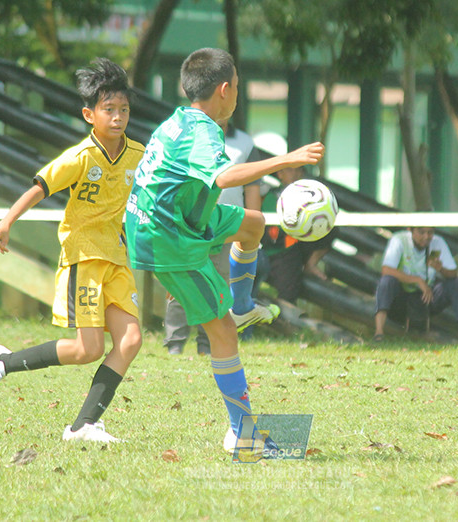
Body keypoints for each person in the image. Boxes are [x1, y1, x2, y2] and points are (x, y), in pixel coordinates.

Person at [124, 47, 323, 452]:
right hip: (168, 238)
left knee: (253, 224)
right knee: (222, 332)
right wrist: (285, 159)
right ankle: (242, 434)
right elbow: (225, 176)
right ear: (226, 89)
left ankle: (243, 302)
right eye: (239, 88)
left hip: (182, 218)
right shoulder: (203, 130)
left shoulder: (179, 120)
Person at [0, 58, 144, 444]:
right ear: (88, 114)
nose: (117, 117)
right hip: (84, 257)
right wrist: (6, 222)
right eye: (108, 109)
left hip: (117, 258)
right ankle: (1, 363)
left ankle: (84, 426)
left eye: (123, 110)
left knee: (129, 341)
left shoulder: (137, 156)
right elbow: (40, 186)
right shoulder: (81, 157)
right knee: (87, 349)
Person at [164, 121, 263, 356]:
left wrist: (253, 235)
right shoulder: (186, 136)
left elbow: (252, 189)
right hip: (189, 226)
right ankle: (174, 345)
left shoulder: (245, 143)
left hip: (226, 227)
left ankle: (206, 346)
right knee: (180, 287)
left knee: (218, 286)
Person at [372, 226, 458, 343]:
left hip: (427, 298)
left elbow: (453, 273)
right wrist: (417, 280)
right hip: (402, 298)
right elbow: (386, 270)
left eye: (430, 233)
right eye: (421, 232)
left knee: (454, 284)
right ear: (410, 230)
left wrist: (441, 269)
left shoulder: (437, 243)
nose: (426, 237)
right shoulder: (399, 240)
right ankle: (379, 332)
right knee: (386, 281)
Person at [259, 166, 334, 305]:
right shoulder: (273, 196)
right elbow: (273, 234)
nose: (294, 174)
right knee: (287, 290)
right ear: (280, 174)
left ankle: (311, 265)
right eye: (290, 170)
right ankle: (284, 320)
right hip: (279, 250)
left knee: (330, 228)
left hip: (299, 242)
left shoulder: (310, 197)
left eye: (298, 170)